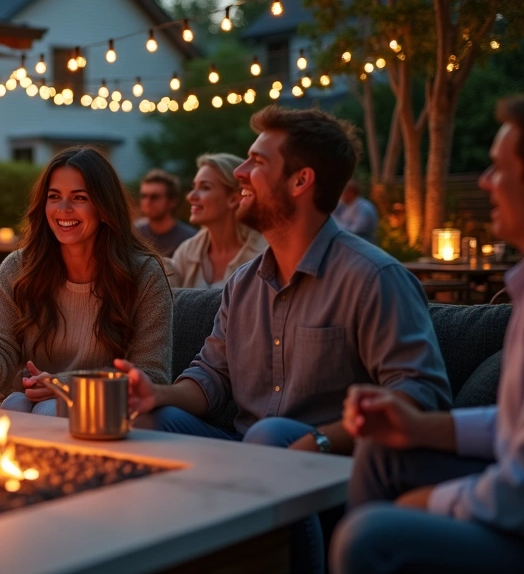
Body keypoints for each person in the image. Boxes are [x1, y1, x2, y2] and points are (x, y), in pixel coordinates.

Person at [118, 106, 452, 573]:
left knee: (272, 433)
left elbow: (421, 395)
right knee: (156, 420)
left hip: (333, 467)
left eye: (256, 162)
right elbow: (211, 377)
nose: (240, 173)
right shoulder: (243, 284)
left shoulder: (373, 277)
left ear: (301, 181)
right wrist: (156, 391)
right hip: (246, 452)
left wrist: (317, 441)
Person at [330, 96, 524, 573]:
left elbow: (516, 490)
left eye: (498, 169)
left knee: (370, 535)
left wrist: (431, 502)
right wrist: (419, 428)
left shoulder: (372, 272)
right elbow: (514, 430)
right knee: (381, 453)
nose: (484, 182)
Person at [0, 146, 172, 415]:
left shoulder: (143, 274)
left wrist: (65, 385)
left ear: (104, 206)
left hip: (109, 411)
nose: (63, 209)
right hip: (26, 401)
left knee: (47, 410)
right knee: (14, 404)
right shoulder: (19, 268)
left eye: (79, 197)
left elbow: (152, 376)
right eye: (54, 196)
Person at [169, 153, 267, 289]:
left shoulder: (265, 255)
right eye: (194, 187)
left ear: (234, 198)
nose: (191, 196)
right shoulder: (186, 252)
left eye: (205, 187)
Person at [134, 168, 197, 257]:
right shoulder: (134, 234)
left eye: (154, 197)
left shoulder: (189, 239)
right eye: (144, 196)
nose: (147, 202)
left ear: (172, 201)